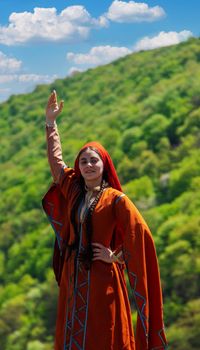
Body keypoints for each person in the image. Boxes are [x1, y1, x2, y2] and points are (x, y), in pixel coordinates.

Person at [42, 90, 168, 350]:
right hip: (73, 275)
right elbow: (56, 163)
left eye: (94, 160)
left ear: (103, 165)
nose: (88, 165)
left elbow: (140, 234)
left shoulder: (115, 199)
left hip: (102, 277)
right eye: (84, 161)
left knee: (104, 334)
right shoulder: (74, 189)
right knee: (72, 336)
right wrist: (51, 123)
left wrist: (117, 256)